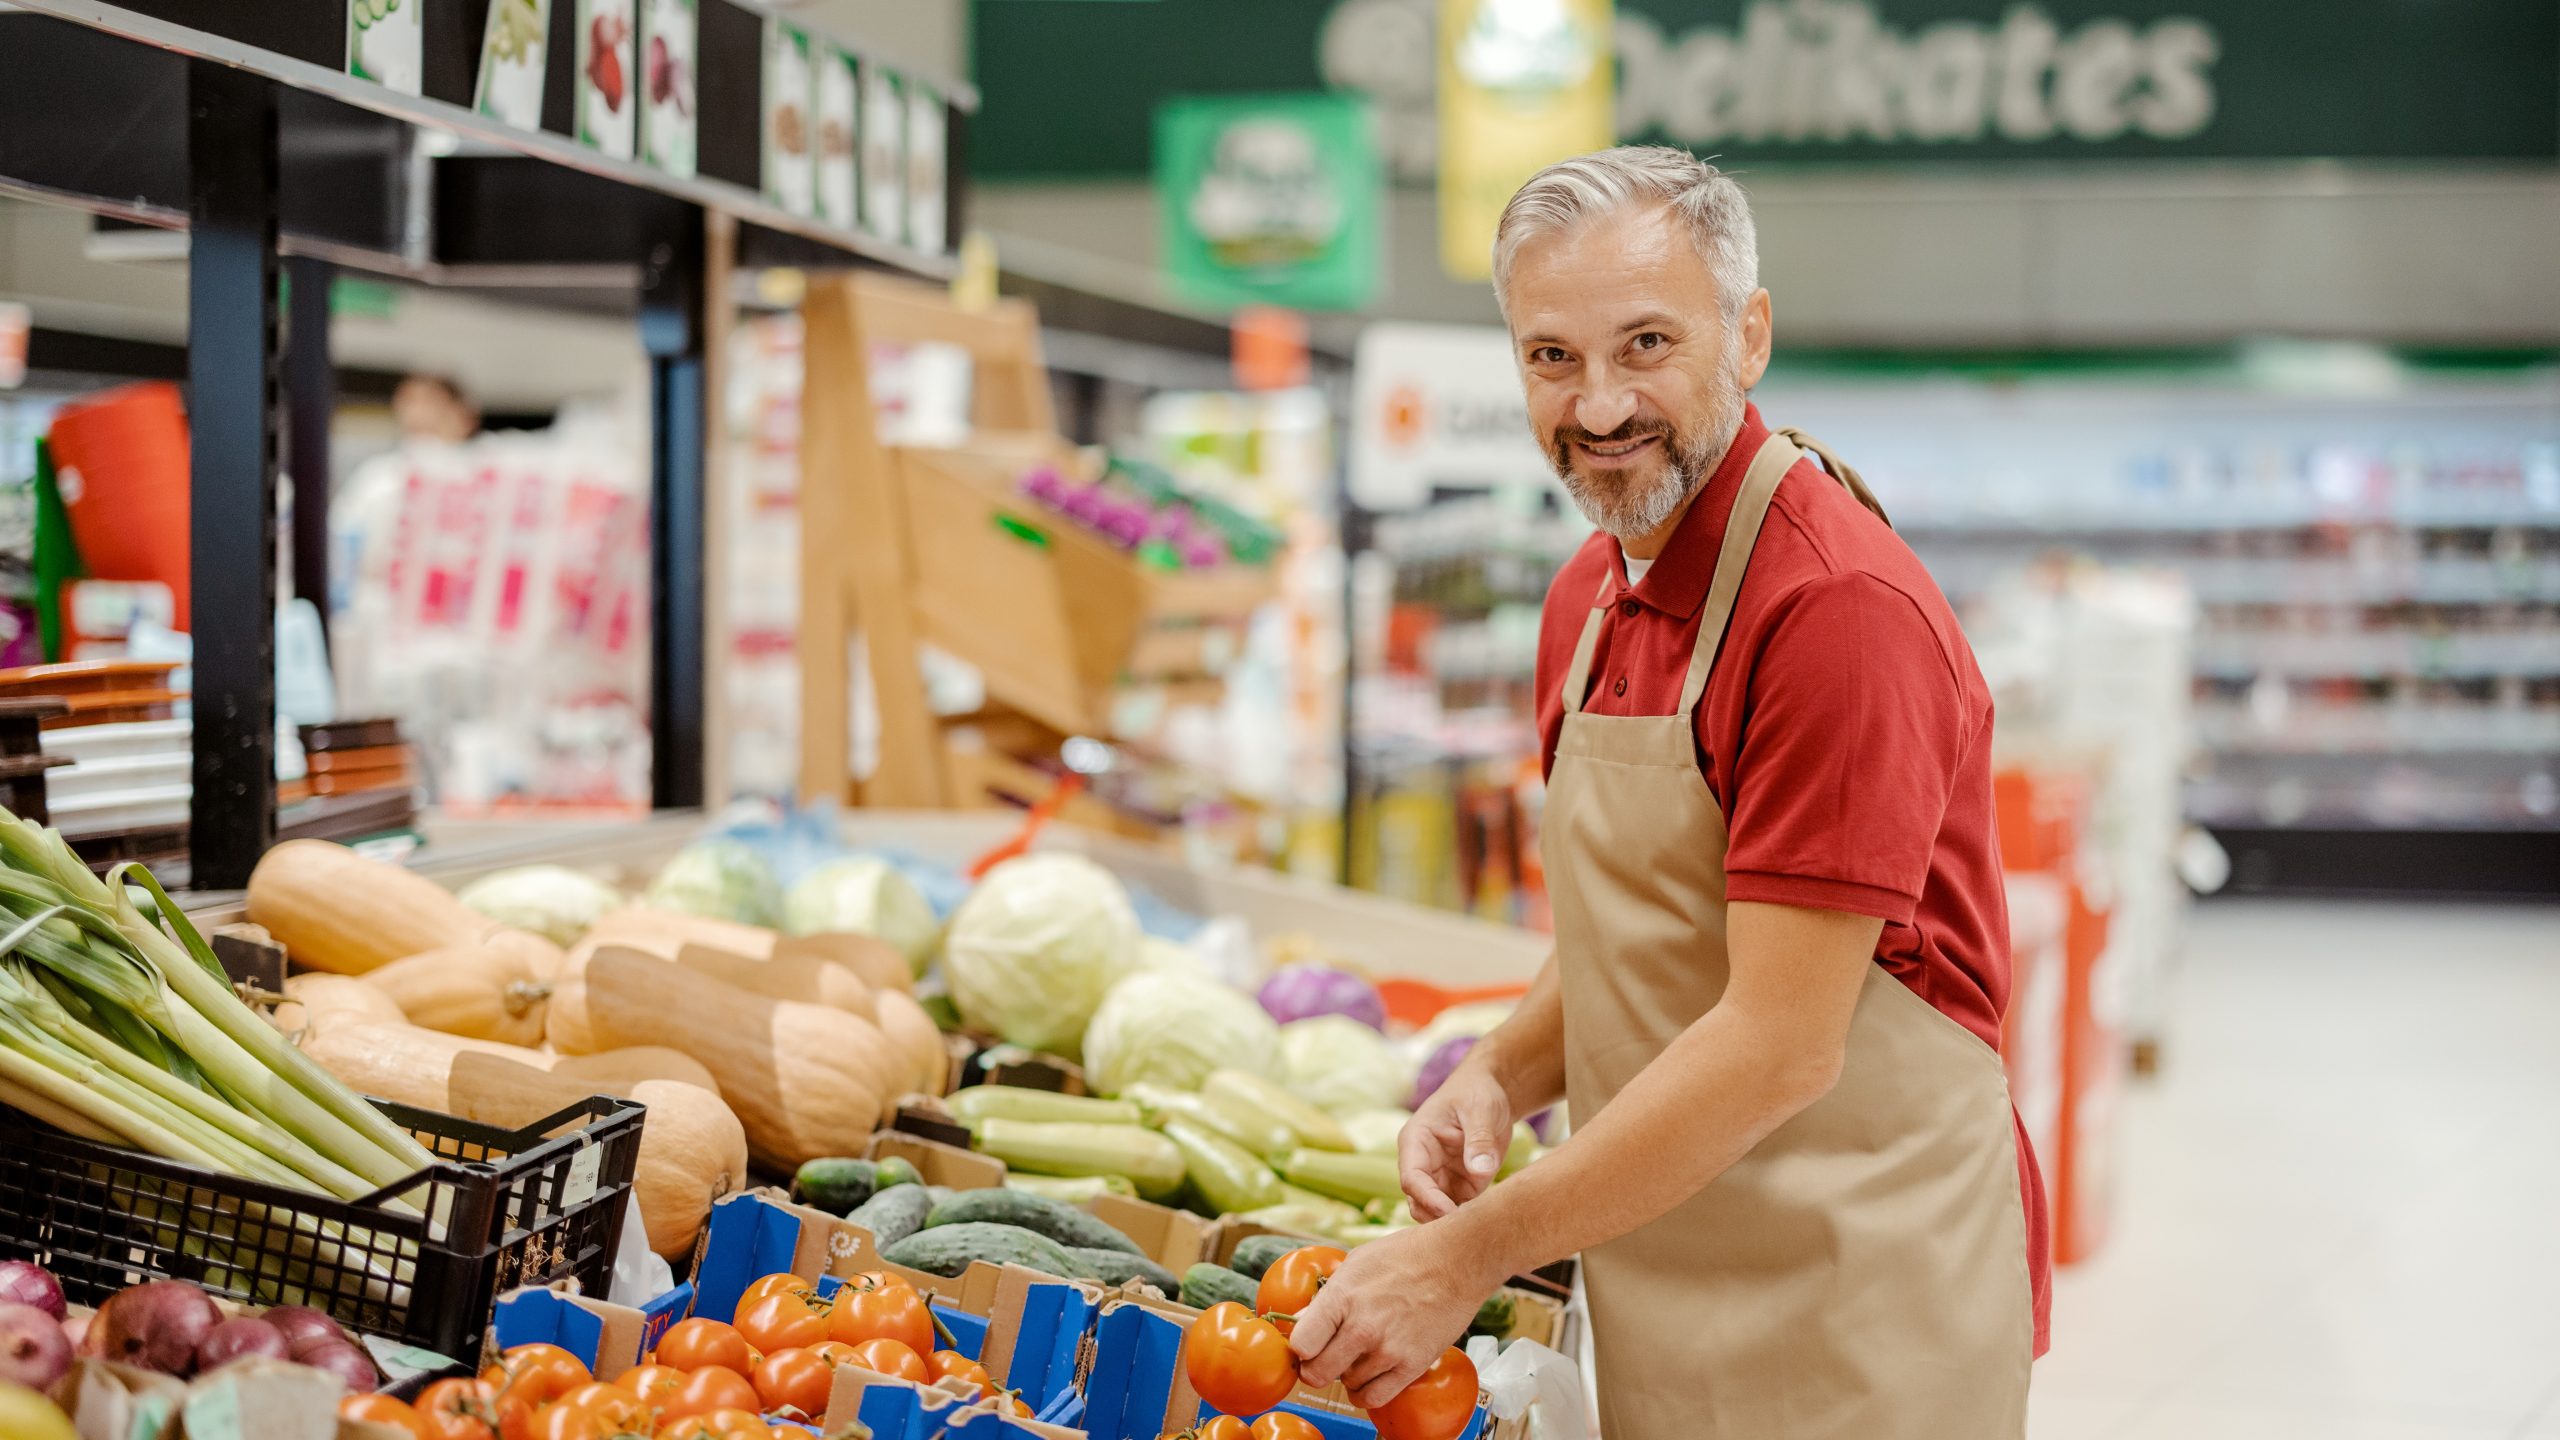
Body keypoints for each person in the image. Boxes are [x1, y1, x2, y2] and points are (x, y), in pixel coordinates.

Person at [1287, 146, 2050, 1438]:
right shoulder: (1587, 599)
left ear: (1748, 336)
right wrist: (1500, 1071)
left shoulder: (1834, 612)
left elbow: (1781, 1039)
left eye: (1646, 344)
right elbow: (1646, 931)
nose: (1596, 409)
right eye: (1550, 357)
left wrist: (1465, 1257)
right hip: (1665, 1262)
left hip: (1864, 1292)